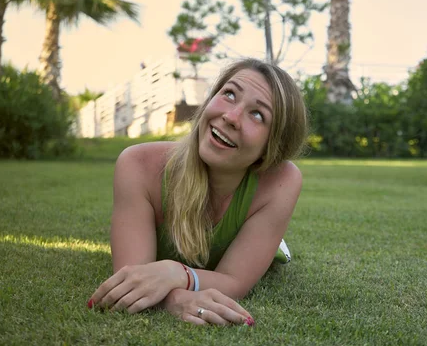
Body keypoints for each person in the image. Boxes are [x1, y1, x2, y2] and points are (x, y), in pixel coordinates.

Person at [88, 58, 308, 327]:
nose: (231, 117)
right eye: (229, 94)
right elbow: (134, 279)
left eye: (258, 114)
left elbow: (234, 280)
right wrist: (175, 300)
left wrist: (176, 272)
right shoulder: (137, 165)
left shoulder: (282, 180)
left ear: (272, 146)